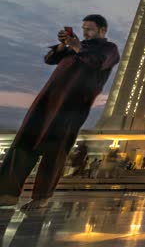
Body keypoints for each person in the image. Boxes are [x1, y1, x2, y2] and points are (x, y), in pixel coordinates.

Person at [0, 15, 119, 209]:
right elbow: (50, 59)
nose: (85, 32)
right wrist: (64, 45)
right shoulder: (74, 48)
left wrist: (77, 46)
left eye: (89, 29)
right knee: (24, 143)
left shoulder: (108, 49)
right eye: (83, 28)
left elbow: (97, 62)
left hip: (72, 106)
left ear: (102, 30)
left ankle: (41, 197)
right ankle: (7, 193)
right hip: (46, 101)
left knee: (54, 149)